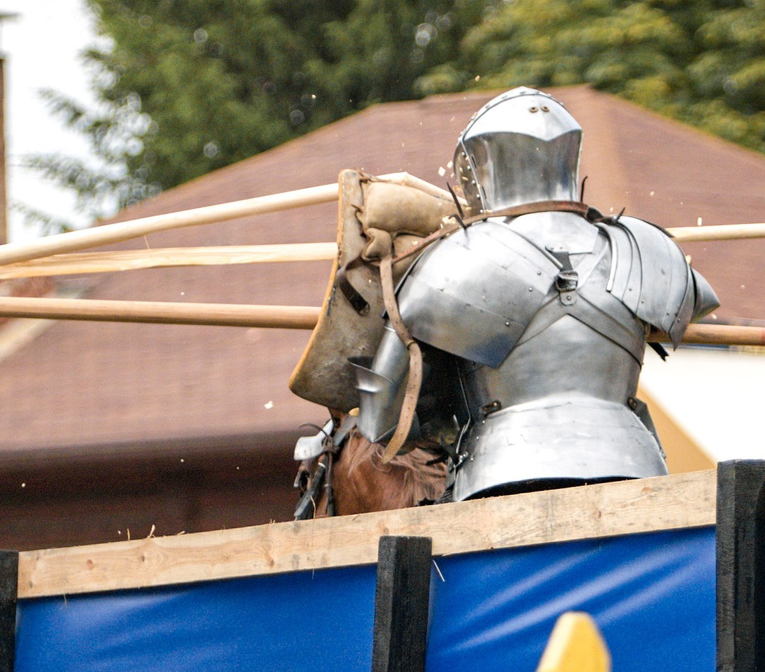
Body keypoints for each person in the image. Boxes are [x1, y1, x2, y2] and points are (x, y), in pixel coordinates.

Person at [306, 88, 721, 505]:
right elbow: (697, 300)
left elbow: (381, 418)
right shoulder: (643, 246)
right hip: (633, 464)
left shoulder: (450, 260)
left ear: (479, 165)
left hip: (500, 471)